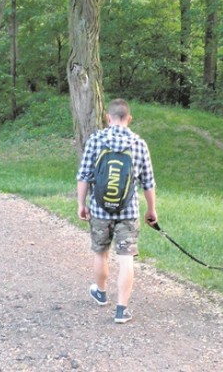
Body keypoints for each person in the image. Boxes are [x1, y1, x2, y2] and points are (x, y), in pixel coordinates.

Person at [76, 98, 157, 324]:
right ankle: (121, 309)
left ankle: (101, 293)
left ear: (107, 118)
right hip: (128, 211)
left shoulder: (96, 140)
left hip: (100, 210)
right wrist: (151, 210)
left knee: (101, 253)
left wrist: (81, 204)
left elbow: (84, 176)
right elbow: (148, 182)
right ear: (129, 119)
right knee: (126, 258)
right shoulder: (139, 144)